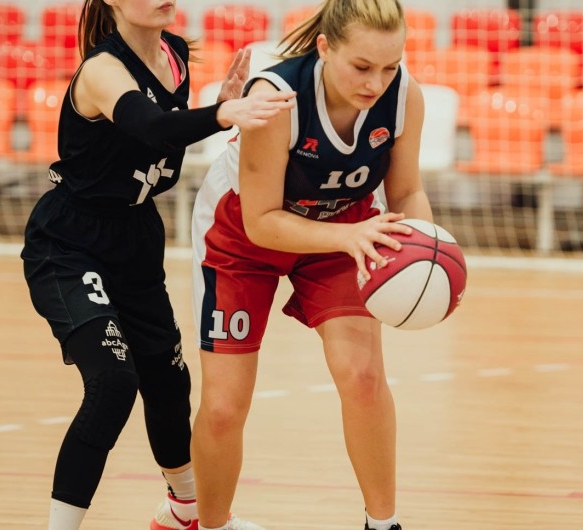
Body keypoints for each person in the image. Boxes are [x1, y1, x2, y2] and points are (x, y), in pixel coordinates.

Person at [19, 0, 295, 528]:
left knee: (168, 379)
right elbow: (148, 126)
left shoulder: (174, 53)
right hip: (71, 242)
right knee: (113, 383)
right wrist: (222, 115)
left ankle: (184, 510)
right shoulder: (102, 70)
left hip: (136, 236)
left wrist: (219, 105)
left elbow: (166, 131)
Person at [190, 1, 433, 529]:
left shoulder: (404, 96)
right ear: (325, 48)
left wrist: (426, 254)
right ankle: (212, 524)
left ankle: (383, 524)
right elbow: (261, 222)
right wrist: (348, 237)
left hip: (345, 226)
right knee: (224, 406)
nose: (376, 82)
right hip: (240, 235)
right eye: (362, 66)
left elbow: (406, 190)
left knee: (363, 377)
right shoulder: (276, 98)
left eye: (389, 67)